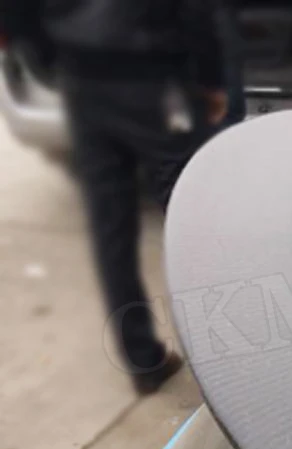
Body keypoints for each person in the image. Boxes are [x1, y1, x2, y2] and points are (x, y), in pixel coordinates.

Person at [1, 0, 231, 394]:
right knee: (190, 221)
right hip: (154, 77)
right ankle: (228, 363)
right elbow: (195, 9)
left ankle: (142, 360)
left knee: (110, 226)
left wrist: (52, 56)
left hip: (81, 79)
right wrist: (211, 78)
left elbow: (15, 10)